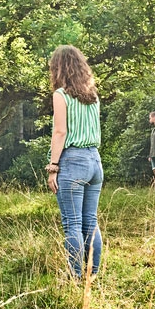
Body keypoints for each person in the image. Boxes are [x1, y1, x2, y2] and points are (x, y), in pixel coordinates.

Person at [45, 45, 102, 279]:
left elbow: (60, 132)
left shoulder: (60, 95)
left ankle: (76, 276)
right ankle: (93, 274)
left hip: (73, 161)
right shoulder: (93, 95)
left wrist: (53, 166)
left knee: (73, 224)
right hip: (94, 160)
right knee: (91, 221)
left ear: (58, 68)